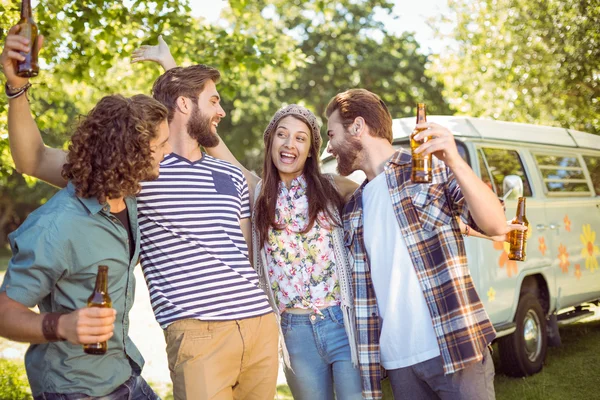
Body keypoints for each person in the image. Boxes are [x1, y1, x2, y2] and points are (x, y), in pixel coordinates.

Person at [6, 38, 278, 400]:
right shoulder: (125, 180)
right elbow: (34, 159)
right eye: (215, 101)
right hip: (166, 346)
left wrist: (172, 70)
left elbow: (255, 202)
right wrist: (16, 87)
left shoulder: (205, 178)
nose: (223, 111)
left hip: (235, 333)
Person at [132, 38, 363, 400]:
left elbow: (382, 193)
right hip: (292, 326)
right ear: (270, 142)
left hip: (341, 321)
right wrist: (170, 67)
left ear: (310, 150)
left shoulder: (334, 188)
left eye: (301, 138)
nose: (290, 144)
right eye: (282, 135)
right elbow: (204, 132)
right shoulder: (255, 190)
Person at [0, 25, 171, 399]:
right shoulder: (57, 227)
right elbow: (4, 312)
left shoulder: (129, 193)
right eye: (161, 146)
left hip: (123, 371)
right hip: (75, 388)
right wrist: (62, 326)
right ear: (134, 154)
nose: (167, 153)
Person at [324, 88, 517, 400]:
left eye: (331, 135)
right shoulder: (355, 207)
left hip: (454, 346)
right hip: (399, 363)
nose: (330, 147)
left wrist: (453, 158)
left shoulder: (427, 170)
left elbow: (495, 225)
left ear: (357, 127)